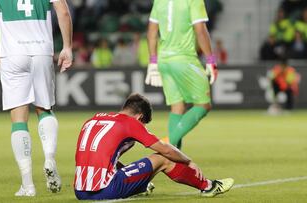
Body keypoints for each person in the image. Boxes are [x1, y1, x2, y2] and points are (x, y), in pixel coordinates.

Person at [0, 0, 73, 196]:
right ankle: (49, 158)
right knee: (44, 109)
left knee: (18, 118)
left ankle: (28, 184)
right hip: (41, 51)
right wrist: (67, 47)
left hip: (12, 54)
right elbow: (63, 12)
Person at [74, 93, 234, 200]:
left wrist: (138, 177)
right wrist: (189, 161)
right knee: (163, 158)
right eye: (143, 124)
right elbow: (165, 149)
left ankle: (140, 185)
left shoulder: (93, 119)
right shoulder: (130, 122)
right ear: (139, 117)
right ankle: (208, 186)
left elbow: (104, 159)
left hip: (80, 192)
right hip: (105, 190)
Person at [145, 0, 218, 148]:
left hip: (164, 60)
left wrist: (153, 62)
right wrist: (210, 60)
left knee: (177, 107)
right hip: (184, 60)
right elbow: (200, 30)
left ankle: (174, 158)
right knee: (203, 105)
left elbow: (152, 33)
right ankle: (168, 142)